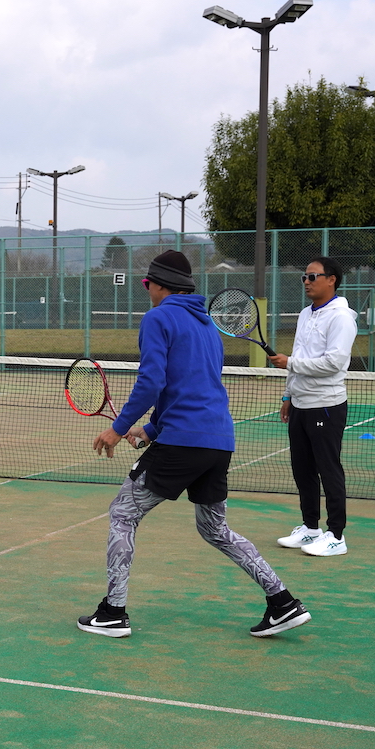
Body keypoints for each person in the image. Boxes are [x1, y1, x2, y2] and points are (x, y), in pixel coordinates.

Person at [78, 251, 309, 639]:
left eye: (148, 285)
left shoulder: (157, 318)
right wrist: (151, 430)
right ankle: (282, 601)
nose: (147, 292)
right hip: (217, 440)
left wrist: (118, 428)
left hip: (183, 442)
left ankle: (113, 612)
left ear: (157, 285)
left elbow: (152, 381)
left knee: (122, 514)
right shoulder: (206, 326)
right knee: (216, 530)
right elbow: (190, 385)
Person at [269, 258, 357, 558]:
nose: (306, 281)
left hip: (326, 406)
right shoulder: (306, 314)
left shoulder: (342, 318)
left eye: (313, 276)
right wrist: (287, 396)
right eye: (304, 277)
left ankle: (336, 535)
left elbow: (335, 362)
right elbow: (299, 354)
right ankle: (311, 529)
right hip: (300, 404)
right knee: (303, 469)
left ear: (331, 280)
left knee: (328, 469)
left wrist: (289, 363)